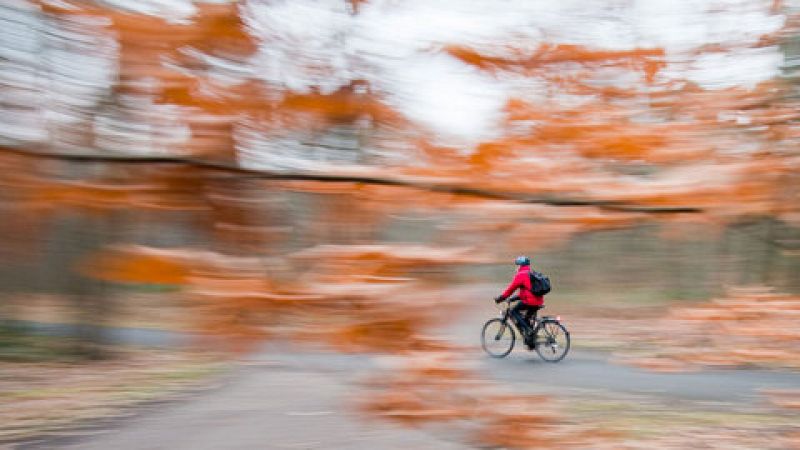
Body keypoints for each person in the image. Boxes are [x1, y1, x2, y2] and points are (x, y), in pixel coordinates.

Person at [494, 256, 544, 334]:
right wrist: (513, 299)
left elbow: (510, 289)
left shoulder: (521, 274)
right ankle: (531, 341)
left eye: (517, 265)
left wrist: (501, 298)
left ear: (520, 265)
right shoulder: (532, 272)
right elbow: (526, 291)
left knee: (513, 311)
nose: (516, 267)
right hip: (538, 301)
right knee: (526, 319)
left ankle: (528, 330)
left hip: (530, 301)